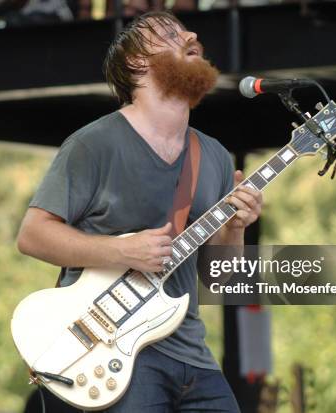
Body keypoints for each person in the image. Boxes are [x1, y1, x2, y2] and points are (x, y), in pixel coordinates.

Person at [17, 11, 262, 412]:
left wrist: (236, 228)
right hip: (115, 355)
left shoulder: (213, 155)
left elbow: (221, 280)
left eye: (186, 30)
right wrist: (121, 252)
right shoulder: (93, 145)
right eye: (170, 33)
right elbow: (32, 234)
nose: (192, 35)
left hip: (192, 355)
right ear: (137, 62)